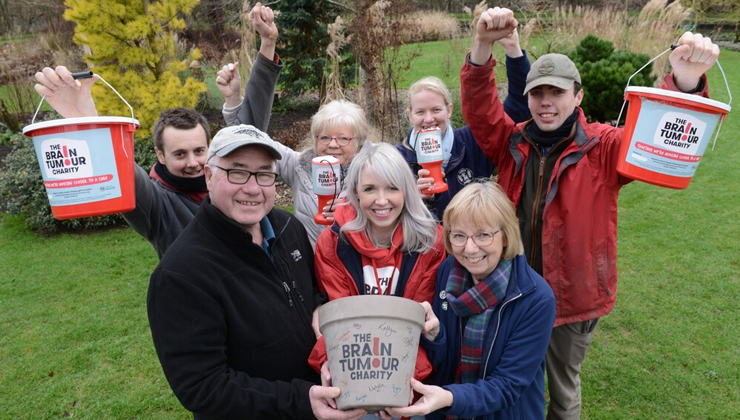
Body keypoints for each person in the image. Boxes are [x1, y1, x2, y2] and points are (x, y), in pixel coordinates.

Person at [459, 7, 720, 420]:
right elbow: (479, 109)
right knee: (515, 384)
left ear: (577, 96)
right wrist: (482, 46)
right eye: (537, 94)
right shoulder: (510, 142)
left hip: (573, 298)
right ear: (527, 99)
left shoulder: (604, 146)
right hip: (513, 292)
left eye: (557, 93)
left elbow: (656, 139)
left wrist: (684, 81)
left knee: (563, 394)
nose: (546, 103)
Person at [148, 124, 367, 420]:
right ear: (209, 176)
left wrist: (319, 311)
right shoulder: (181, 274)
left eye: (264, 174)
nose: (252, 188)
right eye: (237, 172)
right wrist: (300, 400)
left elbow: (311, 293)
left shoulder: (289, 228)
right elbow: (202, 387)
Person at [33, 2, 282, 258]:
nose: (193, 162)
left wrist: (268, 42)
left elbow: (250, 134)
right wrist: (86, 121)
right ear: (160, 155)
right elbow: (121, 169)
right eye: (179, 154)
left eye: (199, 150)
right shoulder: (158, 206)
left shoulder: (223, 176)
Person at [383, 181, 555, 420]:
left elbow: (508, 385)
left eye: (483, 235)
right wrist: (435, 336)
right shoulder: (447, 272)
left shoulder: (535, 299)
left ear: (506, 236)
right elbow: (445, 360)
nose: (470, 249)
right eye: (459, 236)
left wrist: (449, 398)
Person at [308, 142, 446, 403]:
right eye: (370, 189)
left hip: (409, 371)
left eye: (392, 188)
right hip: (353, 366)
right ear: (356, 193)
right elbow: (341, 316)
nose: (381, 200)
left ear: (406, 191)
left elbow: (416, 320)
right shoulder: (334, 243)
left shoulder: (431, 242)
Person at [396, 31, 531, 222]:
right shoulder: (397, 160)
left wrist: (514, 51)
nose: (428, 119)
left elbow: (520, 105)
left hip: (471, 249)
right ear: (409, 115)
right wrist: (410, 202)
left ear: (449, 110)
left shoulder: (475, 142)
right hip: (423, 250)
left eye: (436, 110)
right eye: (420, 112)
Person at [222, 98, 369, 247]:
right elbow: (250, 137)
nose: (332, 145)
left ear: (358, 143)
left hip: (354, 266)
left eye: (343, 138)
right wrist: (233, 100)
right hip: (310, 265)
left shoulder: (372, 174)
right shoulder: (299, 166)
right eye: (324, 137)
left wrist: (355, 212)